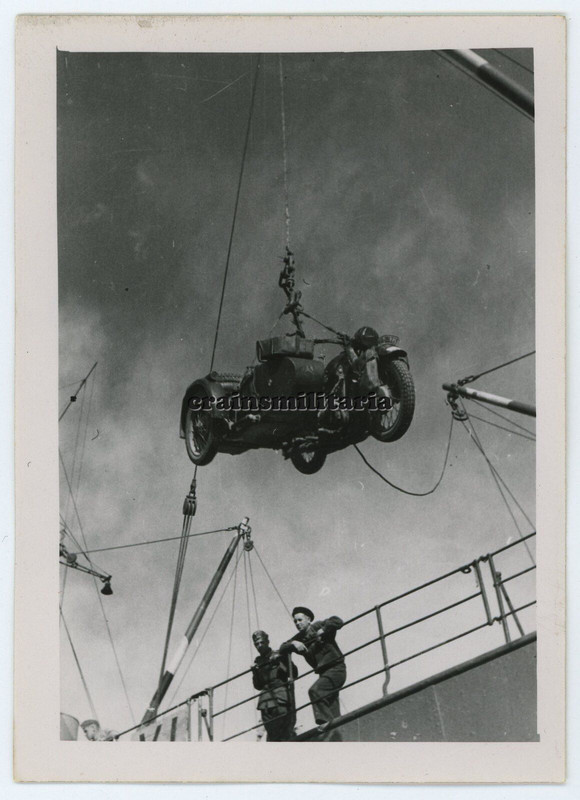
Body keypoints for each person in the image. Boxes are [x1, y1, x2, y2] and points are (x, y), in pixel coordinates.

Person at [280, 606, 346, 741]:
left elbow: (337, 621)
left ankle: (325, 727)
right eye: (295, 622)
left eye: (300, 620)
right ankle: (337, 735)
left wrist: (324, 630)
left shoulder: (317, 626)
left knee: (315, 691)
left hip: (336, 669)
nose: (297, 623)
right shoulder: (299, 638)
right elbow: (282, 647)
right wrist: (294, 643)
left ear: (308, 620)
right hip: (324, 674)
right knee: (332, 707)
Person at [251, 630, 297, 742]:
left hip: (280, 698)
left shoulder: (279, 654)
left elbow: (294, 673)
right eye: (256, 644)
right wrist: (255, 672)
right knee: (272, 736)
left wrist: (281, 661)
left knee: (284, 734)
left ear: (268, 642)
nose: (259, 646)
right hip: (265, 703)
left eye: (262, 642)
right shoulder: (258, 662)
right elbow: (258, 686)